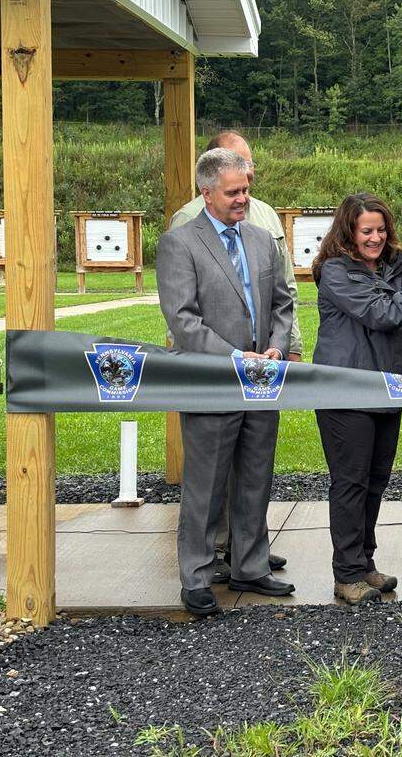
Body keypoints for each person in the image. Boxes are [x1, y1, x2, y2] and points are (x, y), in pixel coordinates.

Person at [157, 148, 296, 616]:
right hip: (213, 382)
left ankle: (251, 566)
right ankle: (195, 578)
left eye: (246, 189)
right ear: (206, 193)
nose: (243, 198)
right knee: (206, 485)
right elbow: (183, 320)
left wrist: (275, 347)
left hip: (262, 380)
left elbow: (282, 303)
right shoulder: (180, 243)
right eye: (233, 192)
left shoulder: (259, 239)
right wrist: (237, 357)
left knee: (257, 476)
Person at [311, 193, 402, 605]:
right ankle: (346, 574)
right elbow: (381, 313)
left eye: (381, 229)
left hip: (387, 387)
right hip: (346, 391)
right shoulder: (336, 272)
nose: (376, 238)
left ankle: (365, 563)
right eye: (366, 231)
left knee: (375, 481)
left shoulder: (392, 263)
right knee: (350, 482)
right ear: (348, 232)